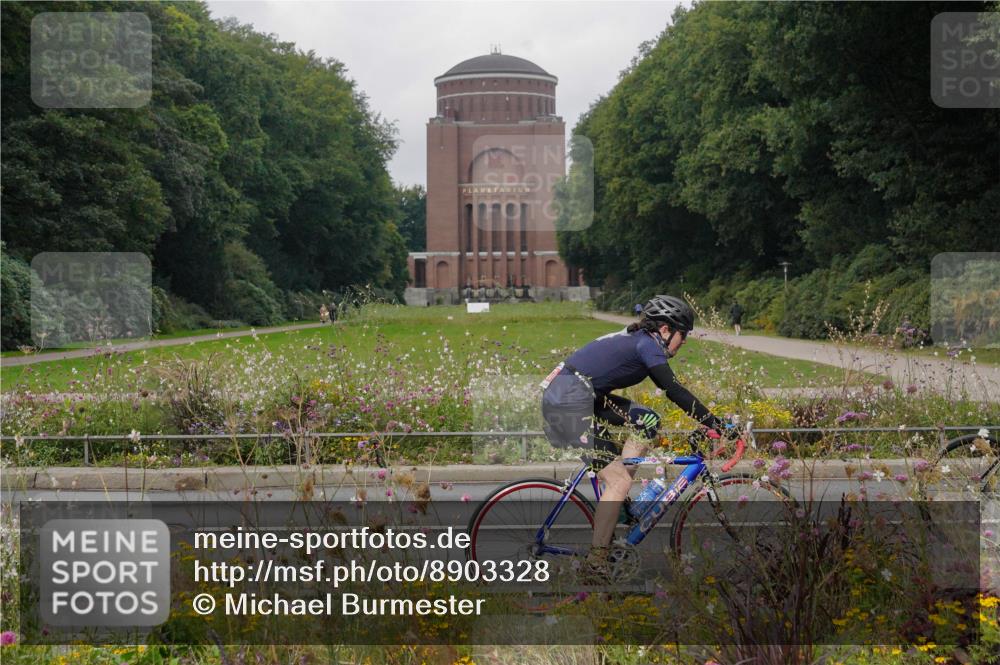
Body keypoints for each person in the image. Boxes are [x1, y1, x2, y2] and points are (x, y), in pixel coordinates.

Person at [540, 295, 723, 577]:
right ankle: (596, 563)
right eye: (682, 334)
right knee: (619, 480)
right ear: (665, 329)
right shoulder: (647, 345)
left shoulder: (640, 339)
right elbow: (673, 389)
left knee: (648, 420)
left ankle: (622, 506)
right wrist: (714, 423)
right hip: (566, 405)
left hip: (580, 398)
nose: (684, 341)